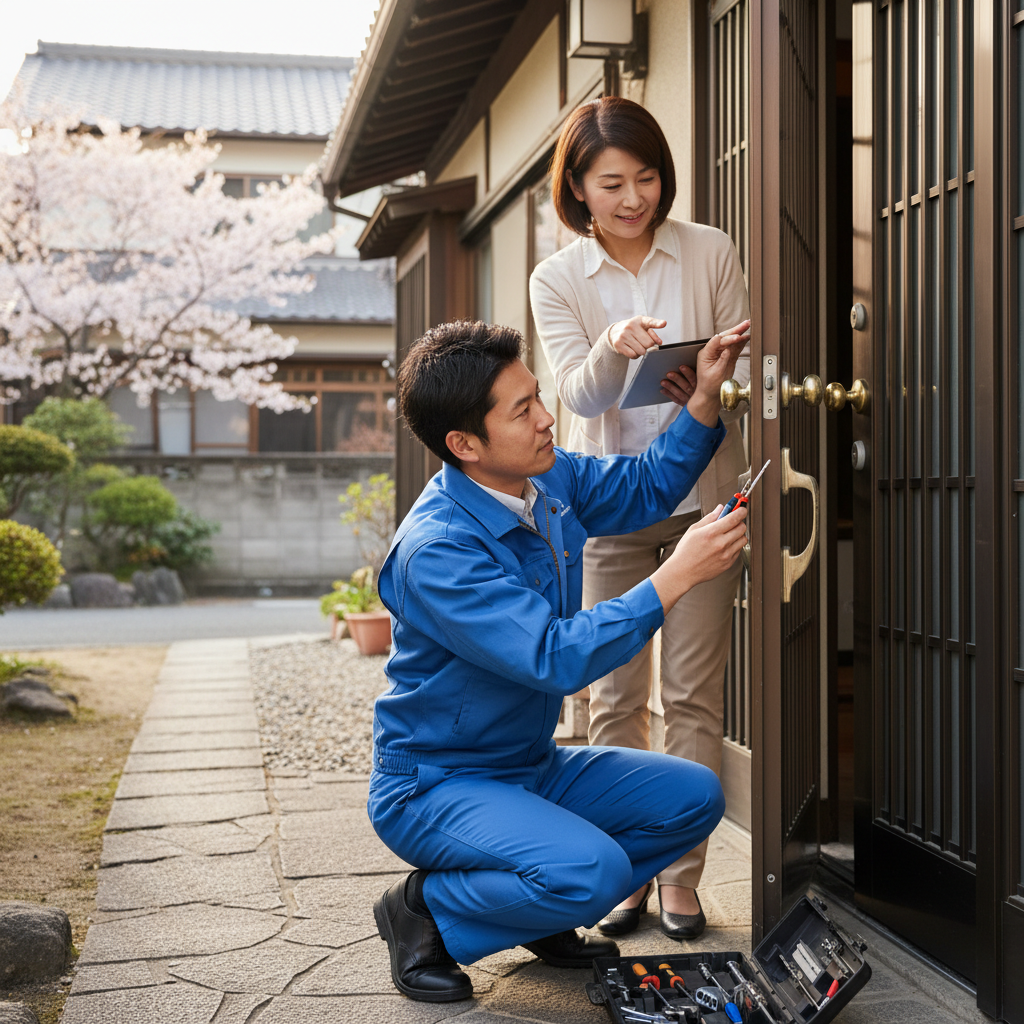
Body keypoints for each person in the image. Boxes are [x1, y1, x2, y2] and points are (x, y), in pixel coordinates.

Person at [368, 318, 749, 1003]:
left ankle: (539, 907)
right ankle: (424, 912)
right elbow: (554, 657)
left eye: (538, 397)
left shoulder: (544, 481)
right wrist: (675, 577)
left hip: (526, 767)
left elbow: (645, 488)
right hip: (434, 785)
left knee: (695, 798)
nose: (549, 420)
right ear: (464, 445)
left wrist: (703, 401)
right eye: (524, 411)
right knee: (595, 873)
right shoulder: (439, 552)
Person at [529, 96, 751, 940]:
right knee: (611, 700)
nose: (634, 198)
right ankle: (620, 868)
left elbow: (733, 367)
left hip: (699, 504)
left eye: (647, 177)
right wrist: (613, 345)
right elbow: (576, 396)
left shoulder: (709, 250)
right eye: (612, 183)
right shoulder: (558, 279)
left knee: (694, 697)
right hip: (610, 513)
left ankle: (681, 878)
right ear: (578, 189)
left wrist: (706, 384)